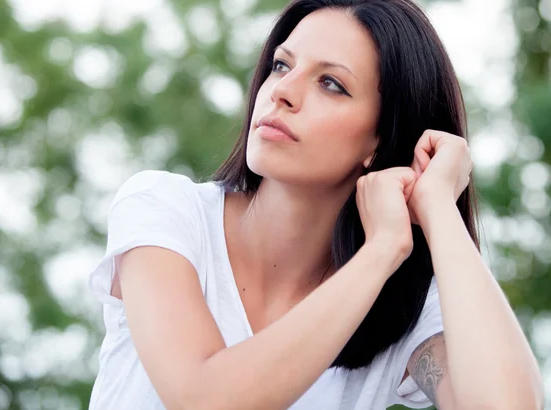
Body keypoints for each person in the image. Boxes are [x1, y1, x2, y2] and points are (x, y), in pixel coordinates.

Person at [87, 0, 543, 409]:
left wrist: (439, 207)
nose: (281, 92)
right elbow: (205, 398)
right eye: (282, 66)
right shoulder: (166, 211)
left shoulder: (401, 306)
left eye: (330, 83)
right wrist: (380, 251)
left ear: (380, 141)